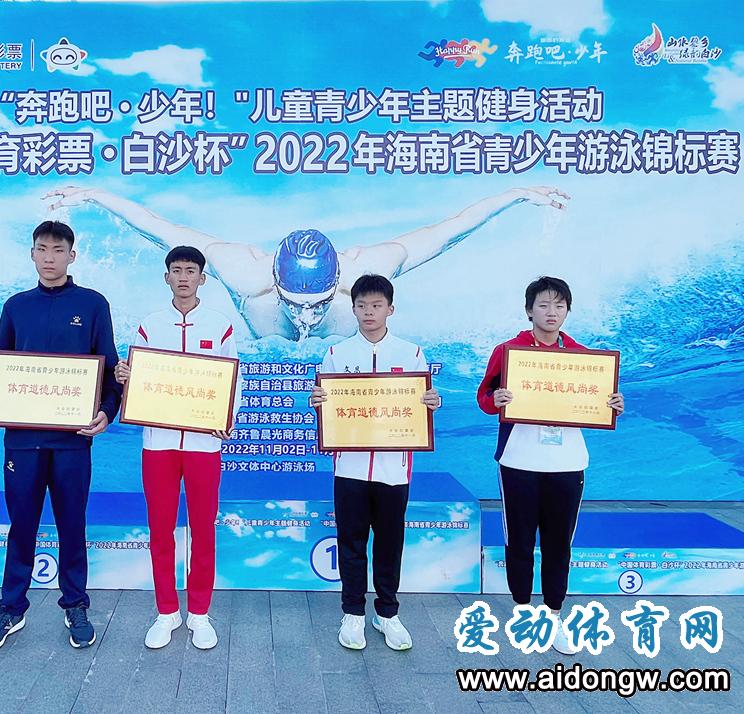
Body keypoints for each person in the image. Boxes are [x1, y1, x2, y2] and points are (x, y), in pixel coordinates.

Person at [45, 185, 569, 340]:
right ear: (275, 283)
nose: (305, 316)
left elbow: (448, 232)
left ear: (338, 283)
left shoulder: (369, 270)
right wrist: (95, 196)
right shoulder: (243, 272)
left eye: (315, 305)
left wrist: (515, 195)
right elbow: (160, 229)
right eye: (295, 304)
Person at [0, 220, 123, 653]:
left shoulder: (92, 304)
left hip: (73, 440)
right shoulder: (16, 306)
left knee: (72, 525)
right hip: (22, 440)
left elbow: (109, 367)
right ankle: (11, 609)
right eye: (42, 249)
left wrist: (106, 412)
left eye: (58, 250)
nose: (50, 257)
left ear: (72, 255)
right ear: (32, 254)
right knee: (21, 526)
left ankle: (75, 605)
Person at [476, 276, 625, 655]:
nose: (551, 312)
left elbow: (599, 400)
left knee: (559, 544)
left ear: (567, 311)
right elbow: (484, 397)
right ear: (529, 311)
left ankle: (554, 616)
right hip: (518, 459)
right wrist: (497, 399)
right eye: (543, 305)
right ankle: (523, 610)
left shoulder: (584, 358)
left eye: (559, 305)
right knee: (520, 540)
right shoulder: (508, 352)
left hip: (567, 462)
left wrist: (612, 404)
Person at [114, 246, 241, 650]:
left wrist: (226, 418)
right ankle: (166, 611)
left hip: (204, 445)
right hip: (159, 444)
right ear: (166, 276)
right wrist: (125, 376)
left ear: (202, 278)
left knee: (203, 529)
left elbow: (233, 381)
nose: (183, 277)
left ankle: (200, 613)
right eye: (176, 270)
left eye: (190, 271)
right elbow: (137, 382)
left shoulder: (220, 326)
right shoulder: (150, 326)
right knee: (160, 529)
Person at [310, 274, 440, 651]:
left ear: (390, 309)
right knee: (350, 540)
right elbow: (327, 406)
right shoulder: (337, 354)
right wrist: (318, 402)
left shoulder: (411, 354)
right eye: (362, 305)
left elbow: (422, 403)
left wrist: (432, 403)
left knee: (389, 542)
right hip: (349, 467)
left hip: (393, 468)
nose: (369, 312)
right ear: (353, 309)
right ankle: (352, 613)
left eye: (376, 305)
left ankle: (387, 614)